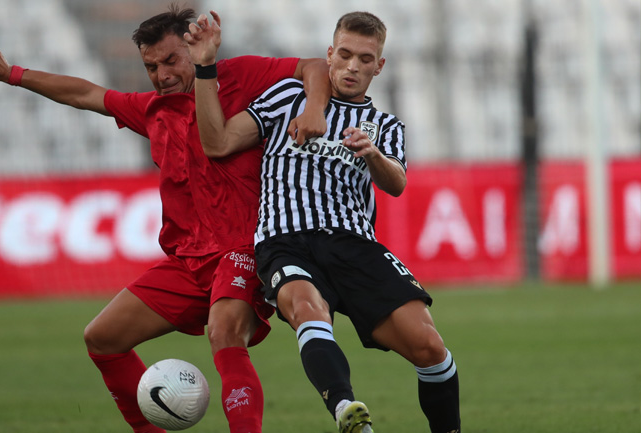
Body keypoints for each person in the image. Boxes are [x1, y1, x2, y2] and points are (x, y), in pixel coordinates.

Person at [0, 5, 330, 433]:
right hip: (187, 262)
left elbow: (315, 66)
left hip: (243, 250)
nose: (162, 74)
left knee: (224, 334)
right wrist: (12, 74)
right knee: (102, 339)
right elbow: (87, 94)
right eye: (151, 66)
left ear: (194, 47)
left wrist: (314, 110)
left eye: (171, 60)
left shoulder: (241, 76)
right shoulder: (152, 110)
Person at [187, 10, 461, 433]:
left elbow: (397, 183)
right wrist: (205, 66)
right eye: (346, 54)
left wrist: (371, 155)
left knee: (430, 348)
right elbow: (218, 142)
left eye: (365, 59)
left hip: (353, 245)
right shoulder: (287, 99)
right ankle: (347, 410)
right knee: (306, 307)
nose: (353, 66)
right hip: (284, 240)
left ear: (379, 66)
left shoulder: (384, 126)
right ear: (329, 54)